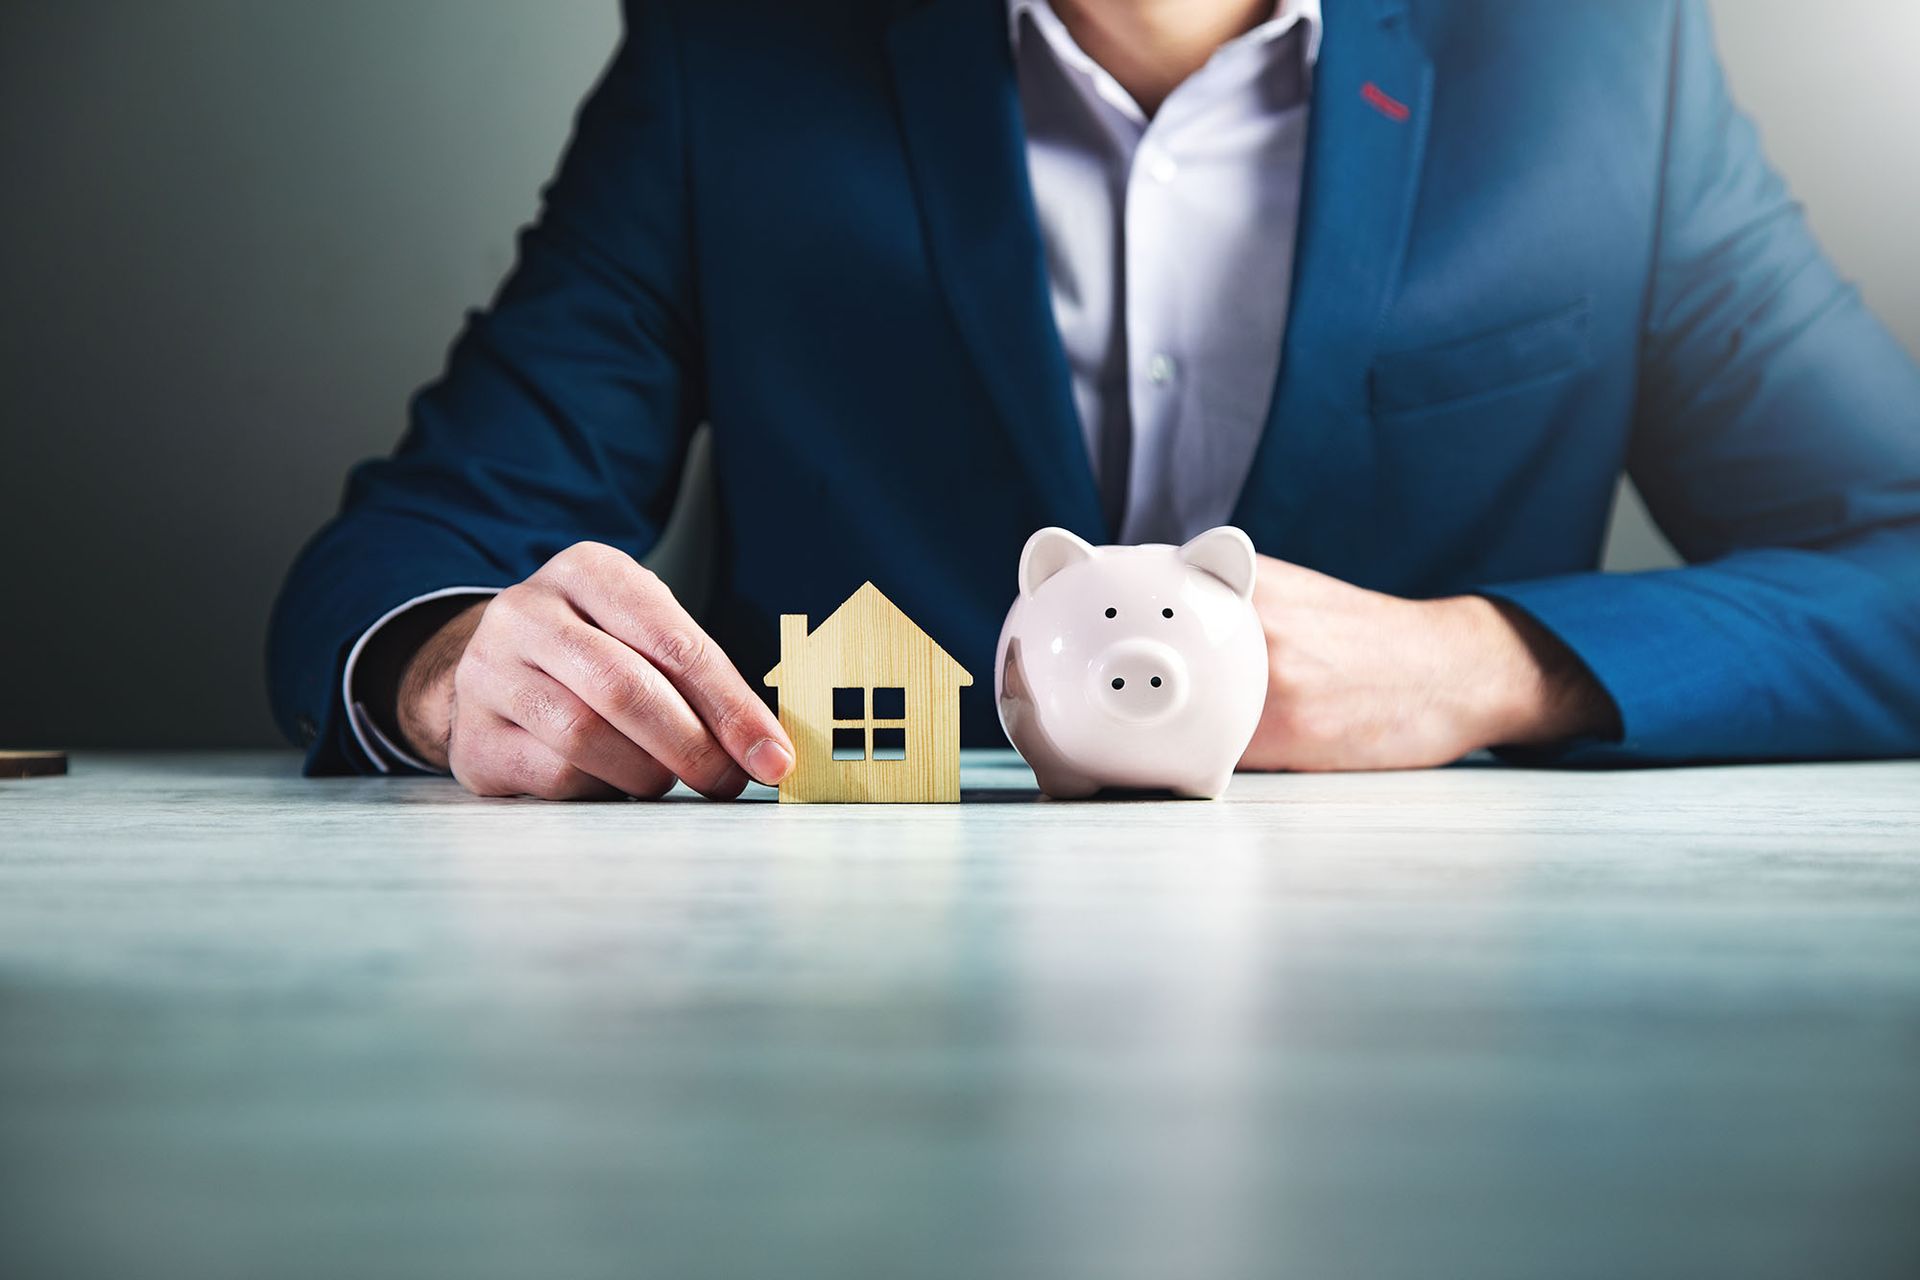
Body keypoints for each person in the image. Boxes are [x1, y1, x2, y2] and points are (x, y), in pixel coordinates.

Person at [269, 0, 1920, 800]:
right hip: (837, 1039)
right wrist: (448, 668)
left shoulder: (1593, 66)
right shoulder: (743, 60)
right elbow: (415, 549)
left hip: (1439, 1032)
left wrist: (1486, 666)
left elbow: (1901, 560)